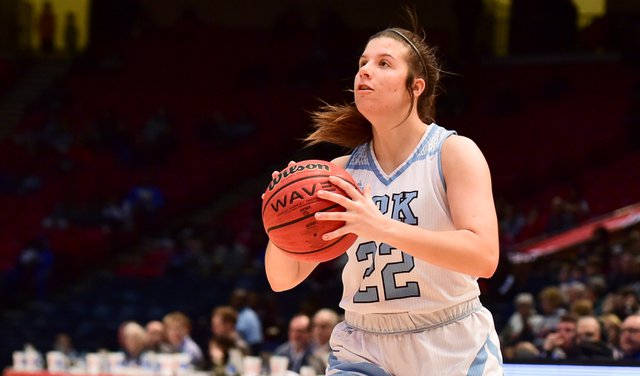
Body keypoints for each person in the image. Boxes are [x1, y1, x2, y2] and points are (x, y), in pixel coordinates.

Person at [263, 9, 503, 375]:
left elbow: (484, 256)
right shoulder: (339, 174)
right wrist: (280, 215)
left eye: (383, 63)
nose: (365, 70)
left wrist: (380, 227)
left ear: (415, 85)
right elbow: (283, 279)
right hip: (364, 345)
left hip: (449, 342)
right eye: (362, 62)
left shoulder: (453, 153)